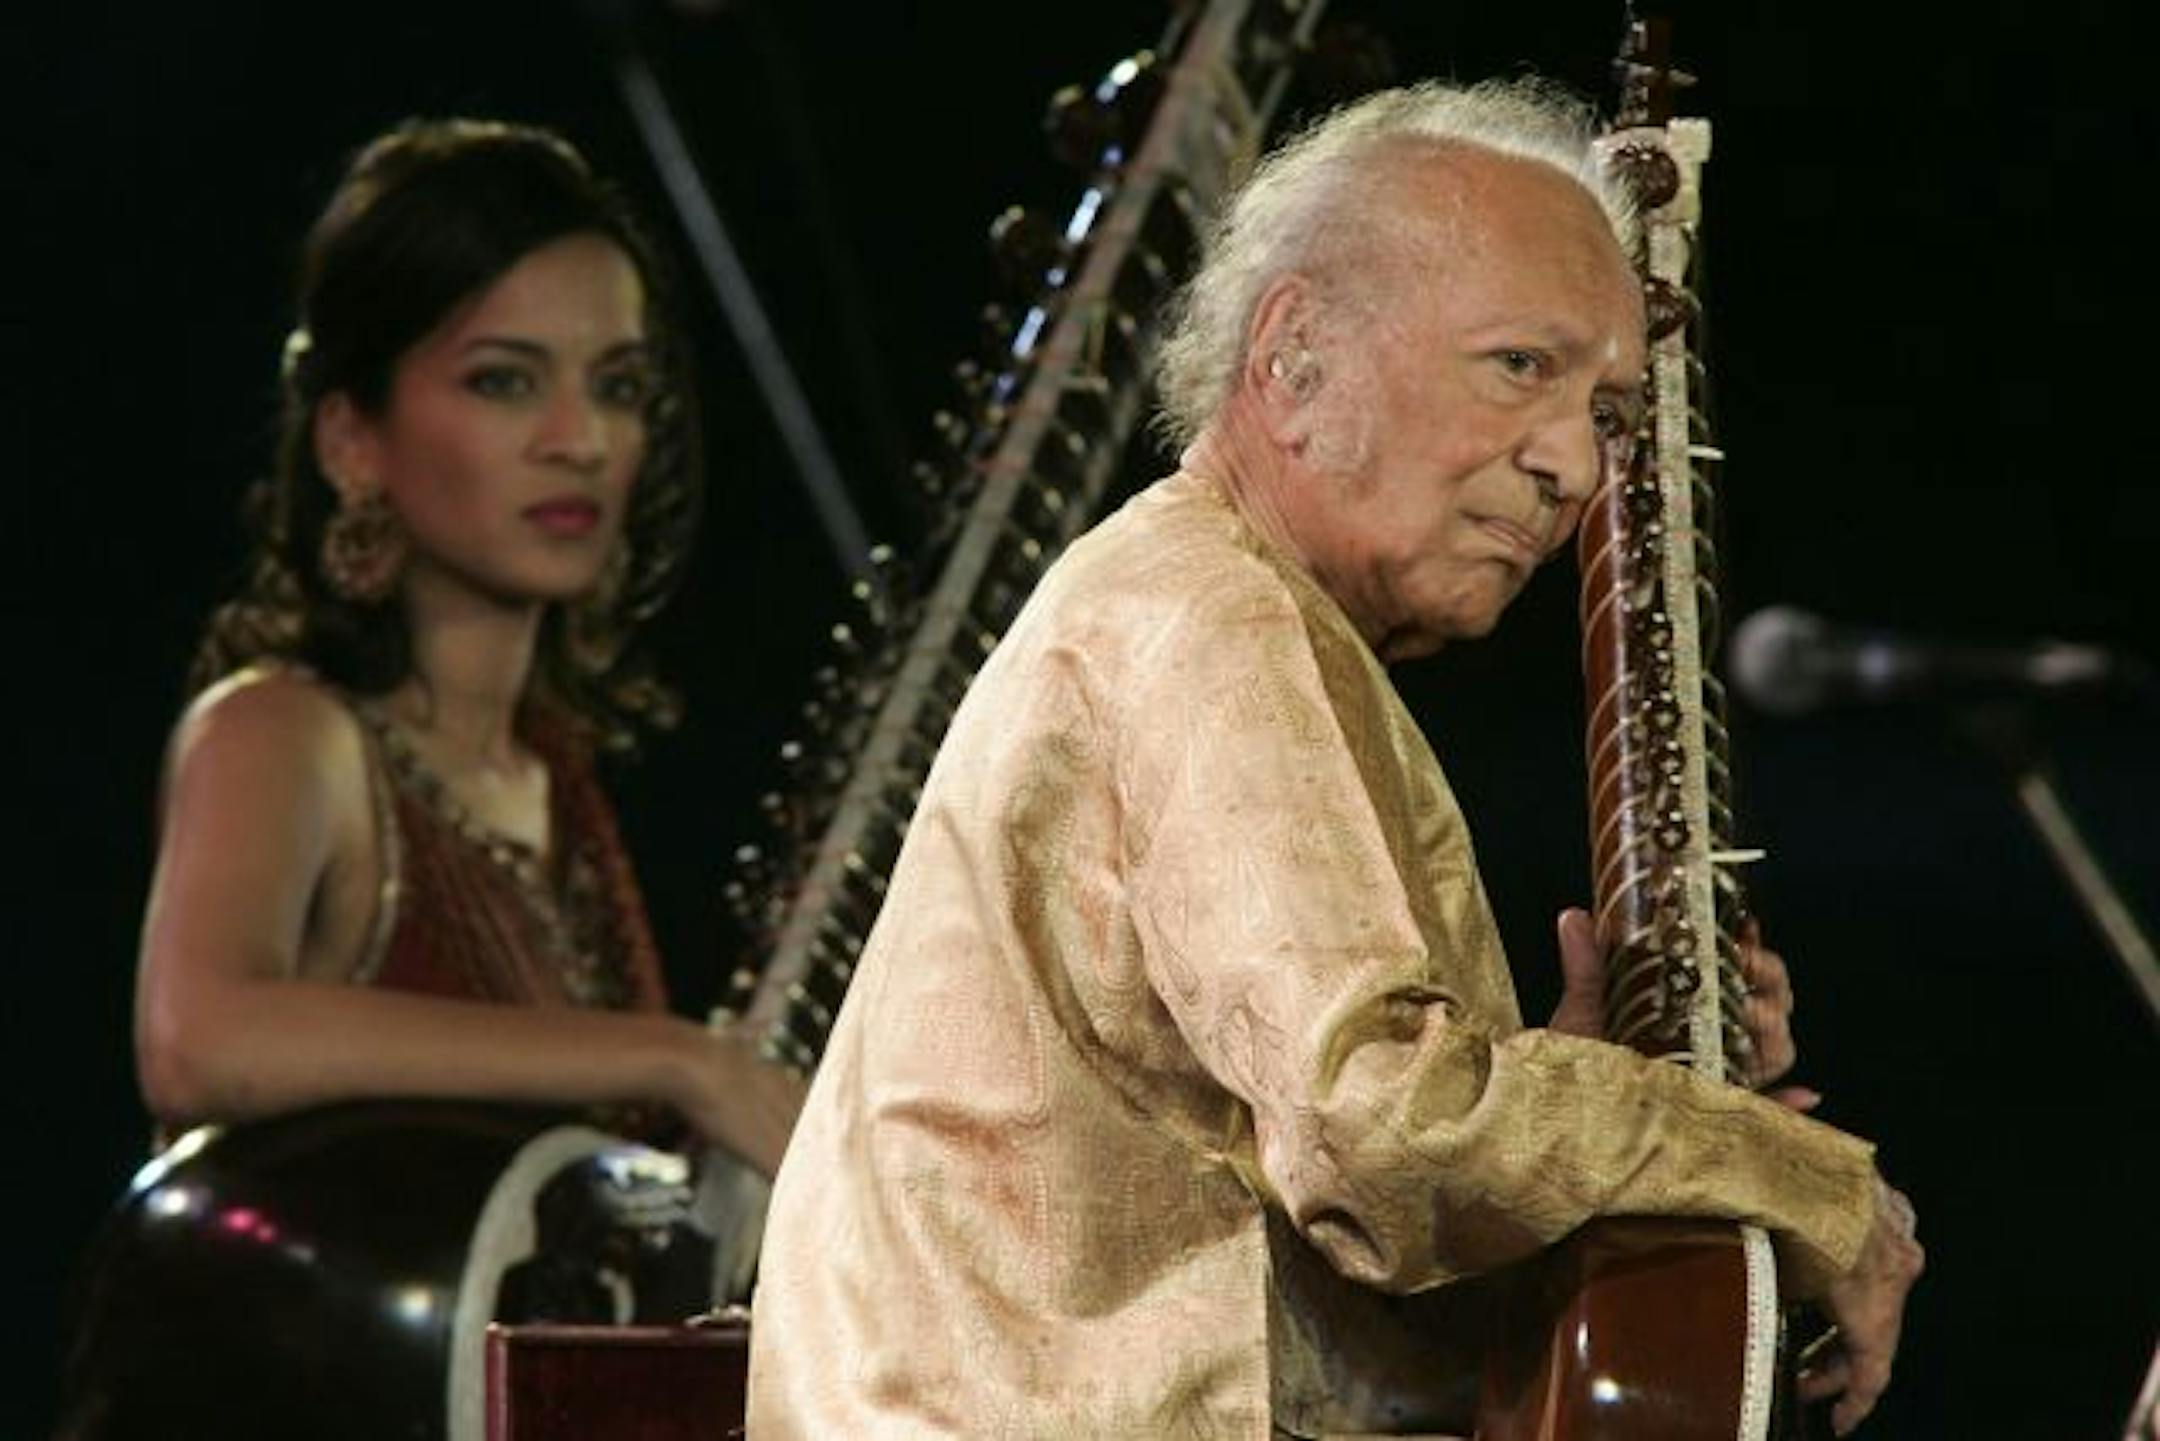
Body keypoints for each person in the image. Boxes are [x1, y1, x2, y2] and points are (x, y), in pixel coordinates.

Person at [748, 79, 1922, 1437]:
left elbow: (1318, 1174)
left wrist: (1571, 1094)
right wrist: (1800, 1176)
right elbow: (1385, 1127)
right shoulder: (1213, 617)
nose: (1573, 469)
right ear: (1296, 355)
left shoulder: (1216, 605)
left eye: (1602, 410)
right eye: (1520, 367)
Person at [133, 118, 798, 1177]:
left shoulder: (556, 781)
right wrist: (677, 1060)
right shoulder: (285, 731)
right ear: (354, 439)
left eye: (618, 387)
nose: (577, 441)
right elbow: (199, 1038)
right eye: (505, 381)